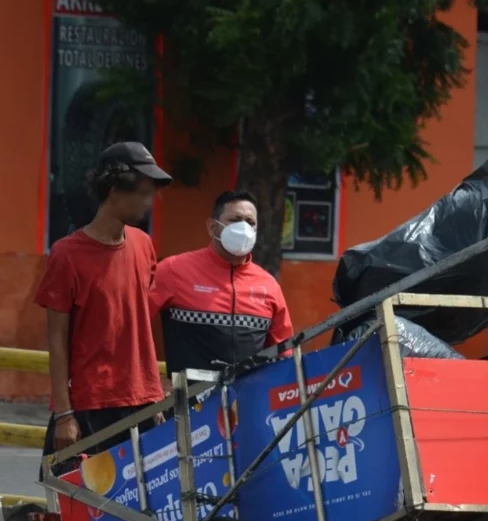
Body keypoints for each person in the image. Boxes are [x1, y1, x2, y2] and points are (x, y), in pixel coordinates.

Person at [35, 142, 172, 474]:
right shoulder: (67, 254)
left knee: (145, 511)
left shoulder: (143, 245)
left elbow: (138, 325)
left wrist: (154, 394)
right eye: (142, 192)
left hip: (141, 403)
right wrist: (65, 414)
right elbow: (56, 339)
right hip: (89, 406)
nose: (148, 202)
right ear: (114, 190)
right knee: (73, 512)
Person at [149, 190, 294, 374]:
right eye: (234, 219)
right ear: (212, 227)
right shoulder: (173, 270)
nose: (243, 228)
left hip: (248, 399)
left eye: (250, 222)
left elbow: (284, 350)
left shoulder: (269, 285)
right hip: (190, 398)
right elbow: (133, 325)